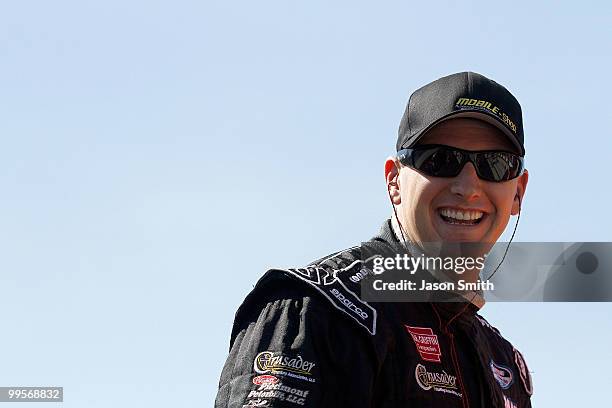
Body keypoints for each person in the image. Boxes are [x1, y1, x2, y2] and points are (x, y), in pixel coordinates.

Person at [215, 72, 533, 408]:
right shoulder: (319, 309)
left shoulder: (503, 363)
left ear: (518, 193)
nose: (467, 188)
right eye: (440, 160)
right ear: (394, 180)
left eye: (495, 165)